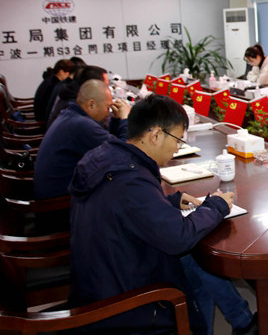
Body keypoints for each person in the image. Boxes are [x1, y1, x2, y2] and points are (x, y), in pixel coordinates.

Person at [69, 95, 256, 334]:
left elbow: (126, 209)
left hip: (102, 280)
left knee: (196, 267)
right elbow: (179, 237)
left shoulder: (109, 158)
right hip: (123, 306)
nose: (177, 148)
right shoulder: (131, 179)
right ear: (156, 135)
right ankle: (237, 322)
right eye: (177, 139)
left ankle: (236, 322)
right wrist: (216, 206)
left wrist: (170, 202)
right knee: (192, 262)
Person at [33, 79, 130, 199]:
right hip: (60, 201)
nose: (108, 113)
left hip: (54, 190)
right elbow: (124, 153)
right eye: (108, 107)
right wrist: (125, 120)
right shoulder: (81, 125)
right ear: (91, 105)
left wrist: (115, 119)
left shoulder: (71, 115)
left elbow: (112, 143)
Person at [46, 65, 110, 129]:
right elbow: (99, 130)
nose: (108, 90)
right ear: (93, 85)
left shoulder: (71, 95)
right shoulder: (76, 106)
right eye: (105, 86)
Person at [33, 58, 72, 123]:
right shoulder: (55, 85)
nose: (69, 76)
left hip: (41, 116)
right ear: (61, 72)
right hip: (44, 120)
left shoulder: (50, 80)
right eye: (68, 73)